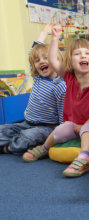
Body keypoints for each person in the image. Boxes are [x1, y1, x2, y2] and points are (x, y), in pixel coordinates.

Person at [22, 24, 89, 178]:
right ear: (70, 60)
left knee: (87, 129)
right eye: (77, 54)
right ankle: (44, 148)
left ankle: (84, 159)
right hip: (75, 126)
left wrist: (86, 124)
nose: (83, 56)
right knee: (62, 128)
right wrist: (54, 38)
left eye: (87, 53)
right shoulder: (69, 77)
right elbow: (51, 59)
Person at [0, 24, 66, 155]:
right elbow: (33, 50)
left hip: (46, 127)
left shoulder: (60, 85)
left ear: (55, 60)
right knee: (3, 130)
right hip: (26, 123)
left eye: (46, 58)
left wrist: (60, 134)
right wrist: (44, 32)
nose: (41, 62)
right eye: (37, 60)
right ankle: (15, 141)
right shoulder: (37, 77)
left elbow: (62, 112)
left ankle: (8, 148)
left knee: (28, 136)